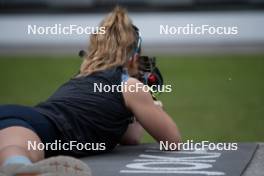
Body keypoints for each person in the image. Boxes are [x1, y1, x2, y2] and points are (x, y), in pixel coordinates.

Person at [0, 6, 181, 176]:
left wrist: (141, 112)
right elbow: (172, 141)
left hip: (20, 118)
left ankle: (15, 162)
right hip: (38, 128)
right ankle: (18, 165)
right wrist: (154, 107)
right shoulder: (130, 86)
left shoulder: (82, 76)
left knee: (17, 153)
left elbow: (130, 138)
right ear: (133, 56)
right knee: (24, 158)